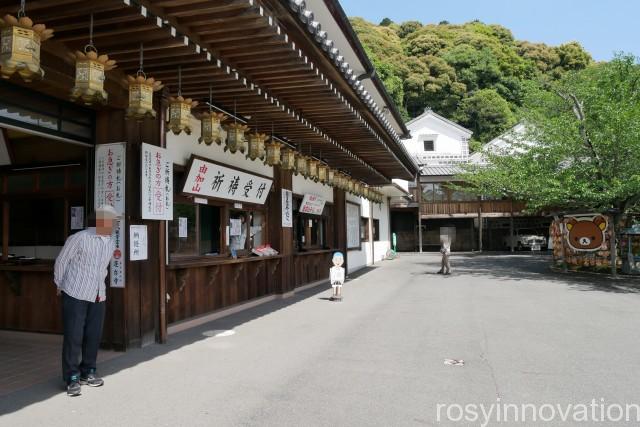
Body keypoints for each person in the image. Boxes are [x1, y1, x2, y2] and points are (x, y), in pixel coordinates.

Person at [54, 205, 120, 397]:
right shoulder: (79, 238)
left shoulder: (109, 241)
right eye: (112, 220)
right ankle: (72, 377)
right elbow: (61, 261)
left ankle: (88, 371)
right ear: (101, 221)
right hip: (75, 292)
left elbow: (103, 269)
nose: (114, 224)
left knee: (93, 335)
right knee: (73, 336)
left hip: (99, 294)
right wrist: (60, 284)